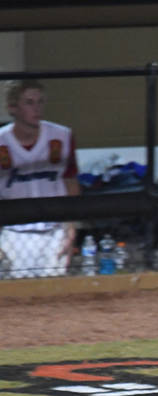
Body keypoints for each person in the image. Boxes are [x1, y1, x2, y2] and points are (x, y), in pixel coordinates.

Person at [0, 79, 81, 278]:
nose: (37, 108)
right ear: (13, 108)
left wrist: (72, 226)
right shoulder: (2, 140)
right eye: (29, 102)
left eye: (40, 102)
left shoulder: (61, 136)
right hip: (14, 231)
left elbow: (70, 180)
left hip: (54, 228)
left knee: (57, 291)